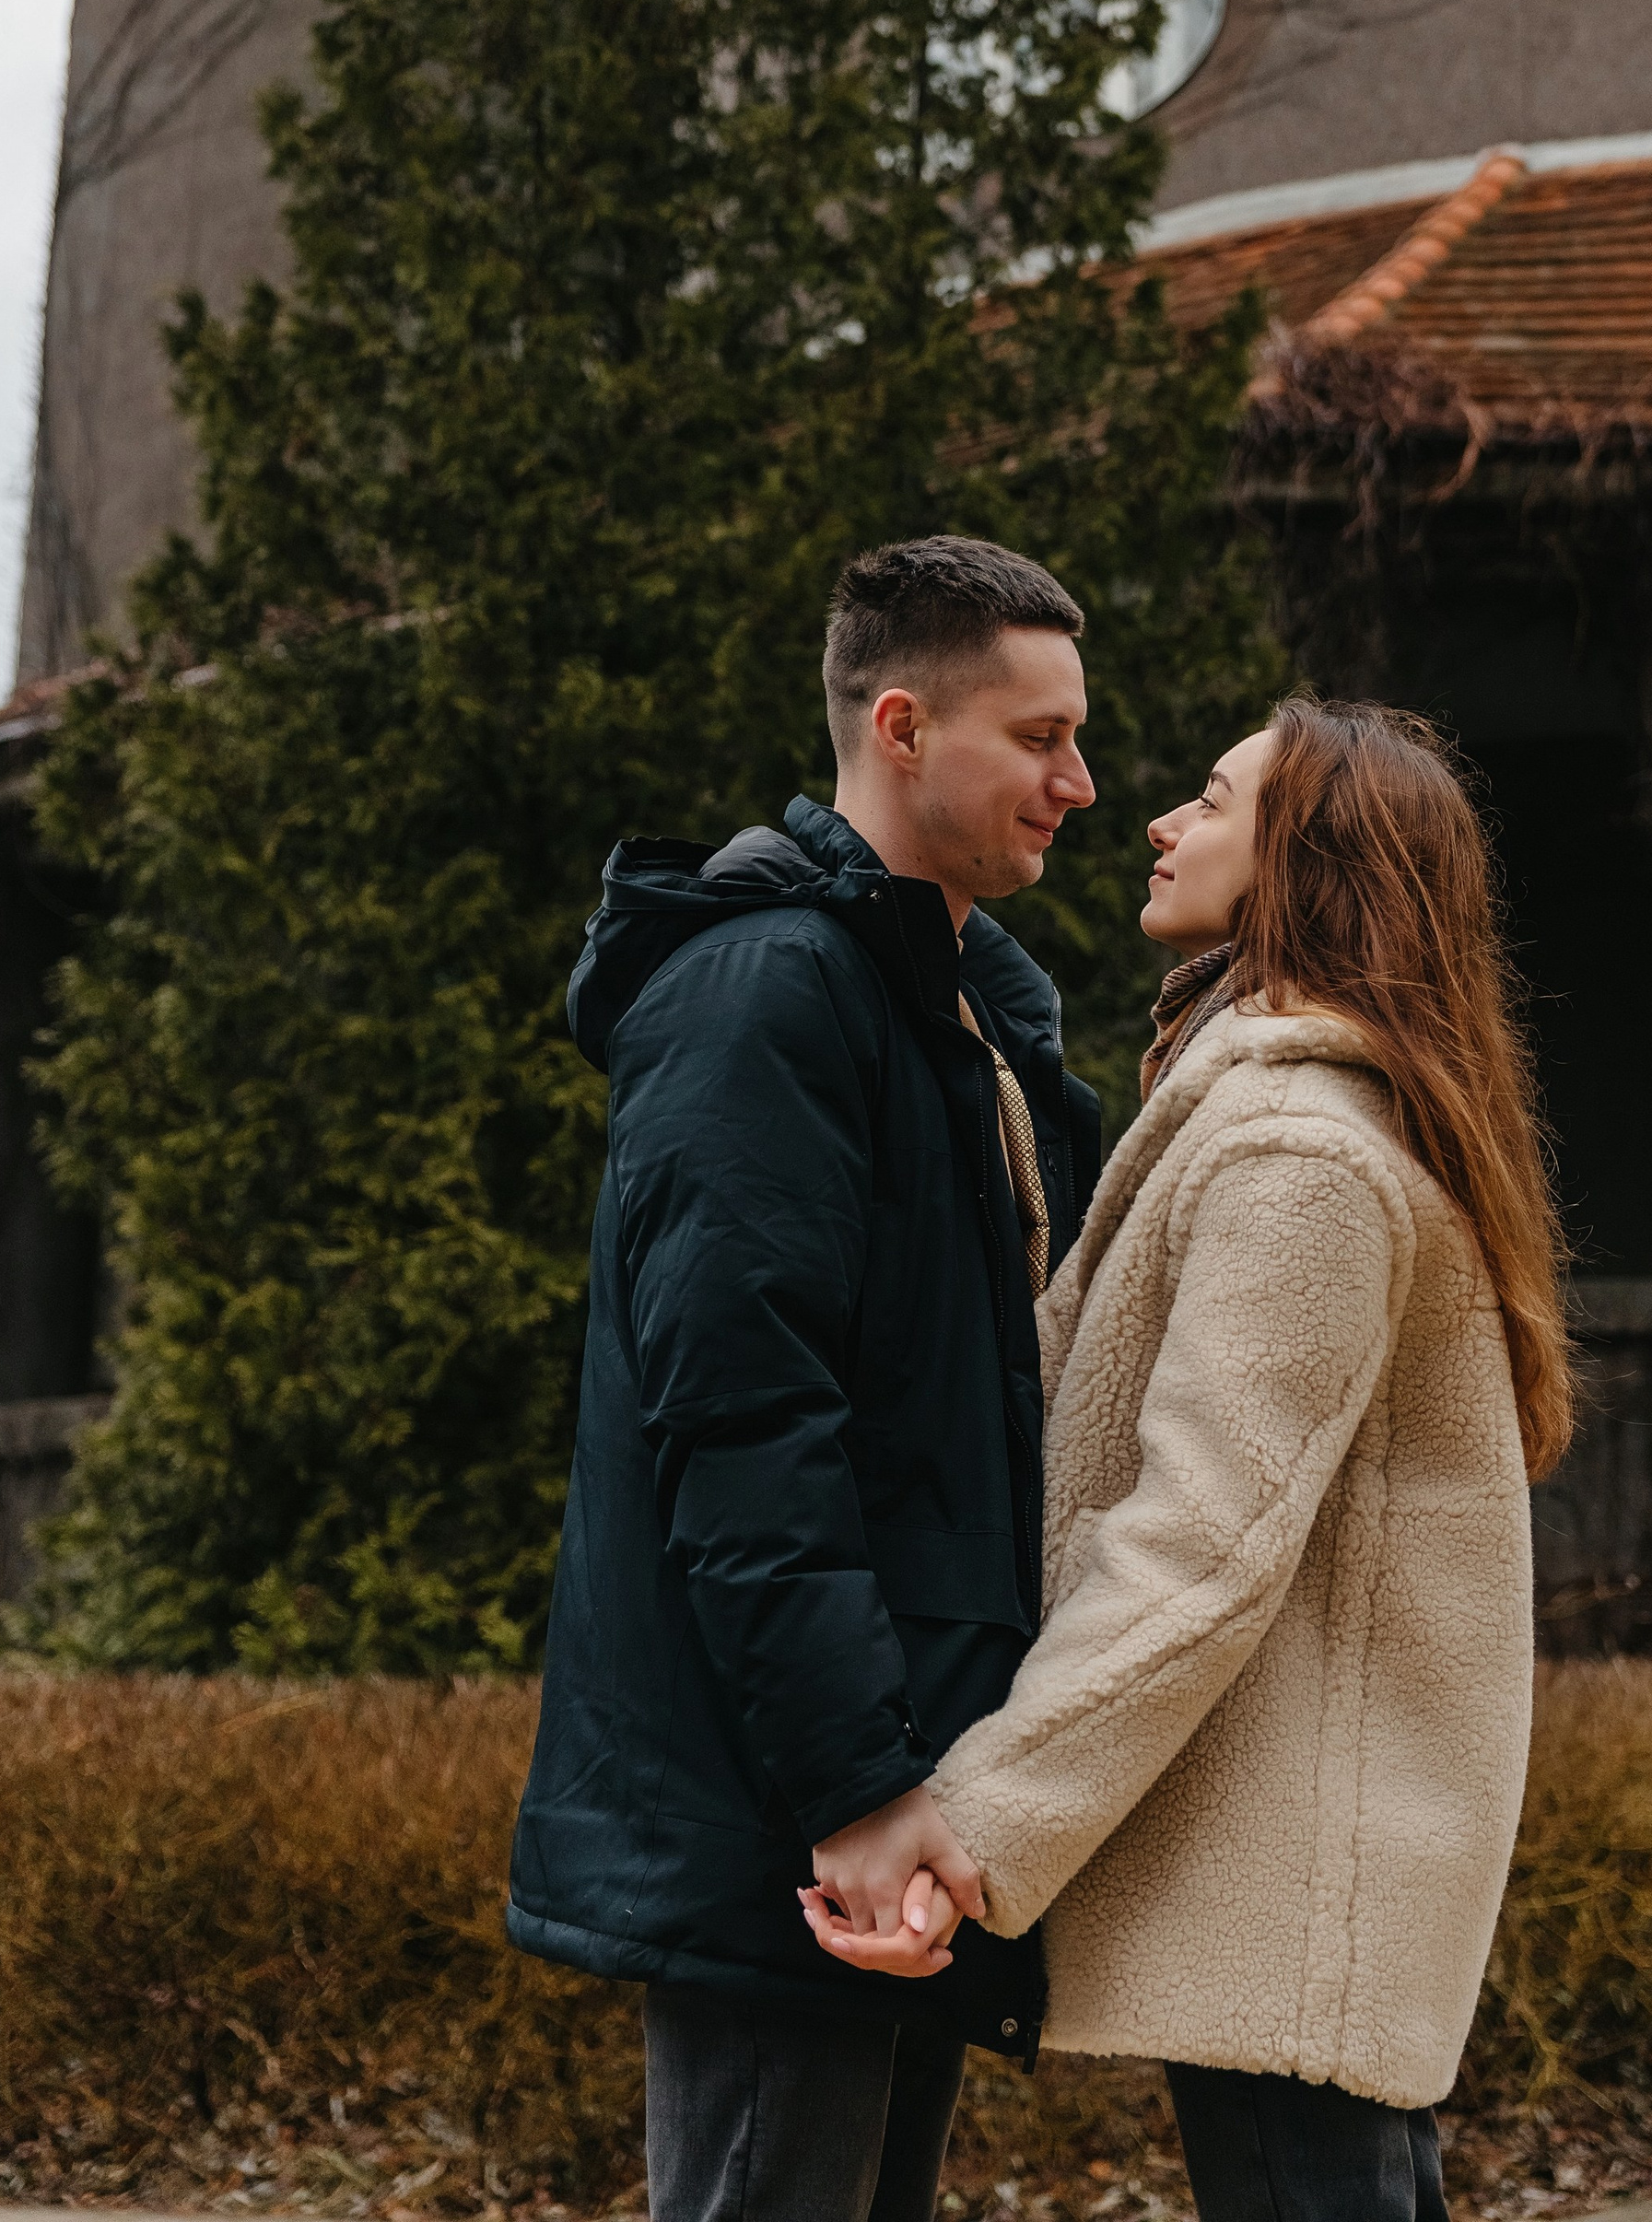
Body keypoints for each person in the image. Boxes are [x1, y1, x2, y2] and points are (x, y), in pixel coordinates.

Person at [808, 697, 1572, 2222]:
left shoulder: (1300, 1153)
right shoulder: (1296, 1113)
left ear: (1309, 862)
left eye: (1214, 801)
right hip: (1303, 1877)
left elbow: (1200, 1540)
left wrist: (979, 1822)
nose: (1158, 819)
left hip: (1300, 1889)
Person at [506, 536, 1104, 2222]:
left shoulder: (961, 1016)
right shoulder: (767, 993)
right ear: (902, 727)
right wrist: (858, 1790)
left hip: (898, 1799)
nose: (1080, 783)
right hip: (800, 1831)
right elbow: (746, 1429)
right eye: (1040, 737)